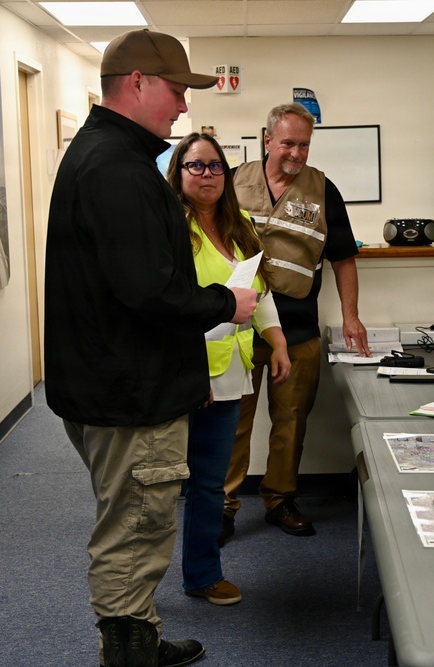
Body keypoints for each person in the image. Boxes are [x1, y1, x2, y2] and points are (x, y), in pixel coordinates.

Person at [44, 29, 258, 666]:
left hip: (109, 383)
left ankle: (137, 634)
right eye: (175, 90)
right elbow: (149, 291)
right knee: (135, 531)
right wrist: (228, 304)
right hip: (129, 393)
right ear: (136, 82)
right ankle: (128, 654)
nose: (182, 107)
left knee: (136, 522)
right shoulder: (119, 169)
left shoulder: (107, 156)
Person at [220, 103, 370, 540]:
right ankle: (224, 505)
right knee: (234, 422)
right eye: (288, 142)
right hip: (241, 327)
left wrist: (351, 317)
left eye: (304, 144)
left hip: (298, 328)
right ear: (267, 139)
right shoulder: (232, 182)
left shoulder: (324, 190)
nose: (296, 152)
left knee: (291, 421)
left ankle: (280, 499)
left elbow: (343, 259)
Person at [166, 133, 291, 605]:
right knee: (158, 484)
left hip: (230, 371)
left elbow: (258, 292)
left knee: (210, 481)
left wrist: (275, 340)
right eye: (196, 166)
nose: (207, 175)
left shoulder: (239, 226)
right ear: (178, 172)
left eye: (215, 166)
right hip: (182, 373)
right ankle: (133, 593)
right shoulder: (172, 227)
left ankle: (201, 574)